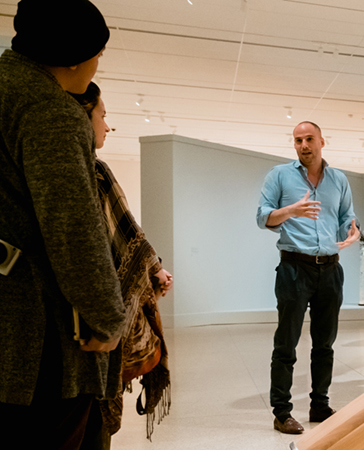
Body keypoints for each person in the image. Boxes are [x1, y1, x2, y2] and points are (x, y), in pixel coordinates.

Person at [0, 1, 126, 448]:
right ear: (74, 57)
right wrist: (108, 318)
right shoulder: (47, 109)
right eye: (98, 55)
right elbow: (74, 230)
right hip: (33, 334)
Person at [70, 82, 173, 449]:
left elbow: (125, 233)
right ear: (84, 117)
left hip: (78, 315)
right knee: (88, 413)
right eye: (103, 115)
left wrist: (151, 268)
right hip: (90, 313)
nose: (107, 126)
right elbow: (124, 236)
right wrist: (153, 270)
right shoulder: (93, 171)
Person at [257, 121, 360, 434]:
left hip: (330, 269)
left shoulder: (338, 179)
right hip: (293, 269)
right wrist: (290, 211)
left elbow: (346, 216)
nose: (303, 145)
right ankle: (282, 412)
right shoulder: (279, 176)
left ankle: (319, 405)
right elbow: (262, 217)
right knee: (286, 343)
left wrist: (352, 230)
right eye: (298, 140)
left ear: (321, 141)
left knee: (324, 344)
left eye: (309, 139)